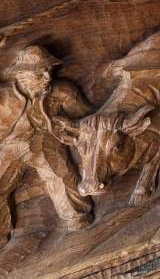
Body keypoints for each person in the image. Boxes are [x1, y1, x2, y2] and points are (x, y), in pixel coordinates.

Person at [0, 44, 94, 245]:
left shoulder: (62, 91)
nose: (47, 77)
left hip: (44, 141)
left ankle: (77, 219)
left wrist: (71, 126)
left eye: (48, 70)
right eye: (39, 73)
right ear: (21, 74)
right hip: (10, 147)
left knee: (62, 175)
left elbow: (89, 120)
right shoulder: (4, 98)